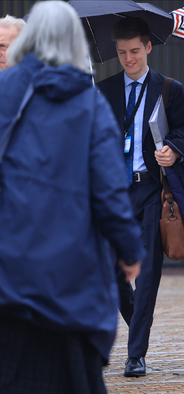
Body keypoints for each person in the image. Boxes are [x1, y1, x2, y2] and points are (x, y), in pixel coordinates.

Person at [0, 2, 144, 393]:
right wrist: (129, 249)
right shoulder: (88, 101)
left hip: (10, 270)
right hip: (73, 275)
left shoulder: (5, 91)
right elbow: (109, 188)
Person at [97, 17, 184, 377]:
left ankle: (136, 354)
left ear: (148, 47)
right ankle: (139, 327)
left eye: (134, 51)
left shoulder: (169, 89)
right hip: (114, 193)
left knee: (147, 274)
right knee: (112, 272)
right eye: (121, 53)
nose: (128, 59)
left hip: (153, 190)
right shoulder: (102, 91)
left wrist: (174, 152)